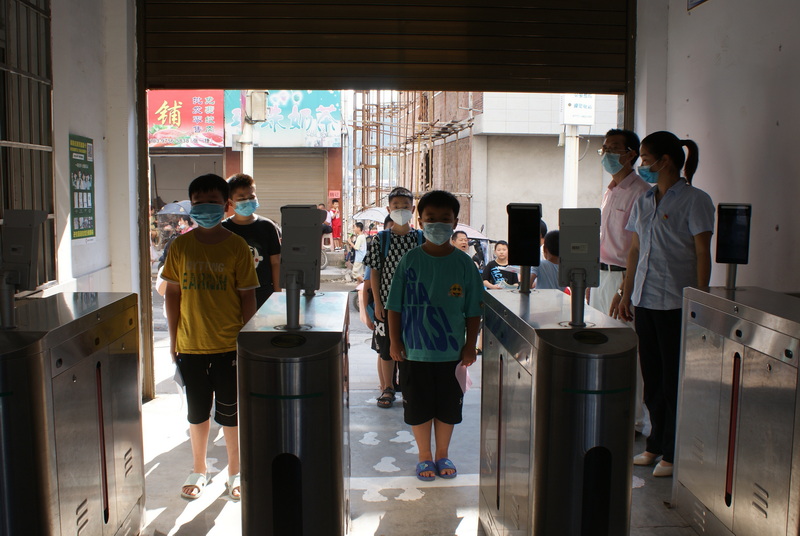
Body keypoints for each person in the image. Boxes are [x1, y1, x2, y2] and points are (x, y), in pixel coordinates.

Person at [618, 131, 714, 478]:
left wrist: (700, 299)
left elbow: (702, 252)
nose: (641, 164)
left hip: (676, 303)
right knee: (653, 379)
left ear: (665, 161)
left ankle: (673, 452)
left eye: (645, 158)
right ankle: (655, 444)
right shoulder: (644, 201)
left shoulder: (695, 200)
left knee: (674, 382)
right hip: (645, 301)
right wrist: (626, 293)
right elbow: (634, 250)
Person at [162, 173, 259, 500]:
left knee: (231, 414)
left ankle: (235, 471)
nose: (205, 208)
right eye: (199, 202)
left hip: (229, 346)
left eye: (212, 202)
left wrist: (248, 341)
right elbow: (172, 294)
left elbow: (248, 297)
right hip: (190, 345)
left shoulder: (237, 247)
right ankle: (199, 469)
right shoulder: (180, 246)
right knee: (197, 413)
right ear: (191, 206)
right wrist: (173, 339)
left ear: (226, 205)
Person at [386, 190, 483, 481]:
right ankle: (424, 456)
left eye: (445, 219)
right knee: (418, 408)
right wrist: (394, 341)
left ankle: (442, 453)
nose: (438, 224)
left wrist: (470, 346)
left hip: (451, 354)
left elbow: (473, 311)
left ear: (455, 223)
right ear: (420, 221)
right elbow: (394, 306)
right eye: (431, 219)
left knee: (447, 408)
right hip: (414, 352)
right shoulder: (409, 260)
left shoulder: (464, 264)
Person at [588, 128, 651, 434]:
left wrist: (625, 288)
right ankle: (607, 410)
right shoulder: (610, 190)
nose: (607, 154)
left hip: (623, 280)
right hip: (600, 276)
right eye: (605, 148)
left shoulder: (641, 192)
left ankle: (634, 420)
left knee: (627, 348)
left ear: (631, 154)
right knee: (601, 345)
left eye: (614, 148)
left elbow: (639, 247)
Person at [363, 187, 424, 409]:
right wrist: (378, 303)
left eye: (405, 206)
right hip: (387, 305)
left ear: (413, 209)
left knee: (412, 347)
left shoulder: (421, 238)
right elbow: (375, 273)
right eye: (396, 206)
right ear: (389, 209)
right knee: (386, 348)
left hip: (415, 306)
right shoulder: (381, 239)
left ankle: (409, 388)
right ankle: (388, 388)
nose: (401, 209)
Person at [221, 173, 282, 309]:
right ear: (230, 202)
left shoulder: (267, 226)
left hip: (264, 294)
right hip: (232, 295)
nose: (248, 201)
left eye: (251, 197)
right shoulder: (223, 229)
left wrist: (278, 295)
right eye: (242, 199)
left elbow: (275, 263)